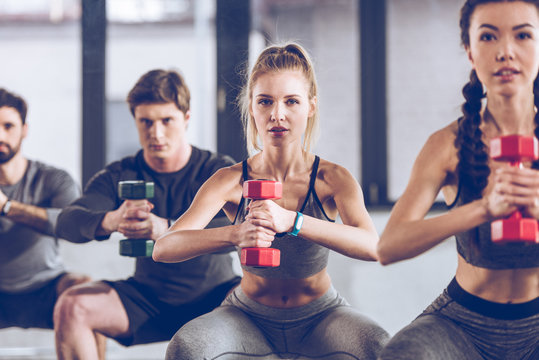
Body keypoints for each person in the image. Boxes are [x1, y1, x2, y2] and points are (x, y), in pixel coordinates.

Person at [153, 43, 389, 360]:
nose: (277, 114)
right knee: (187, 347)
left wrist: (293, 221)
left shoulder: (333, 179)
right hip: (247, 316)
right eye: (265, 101)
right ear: (252, 107)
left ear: (311, 106)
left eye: (291, 101)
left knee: (380, 346)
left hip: (321, 316)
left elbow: (372, 245)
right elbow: (164, 248)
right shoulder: (230, 180)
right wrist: (235, 233)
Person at [377, 1, 539, 359]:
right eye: (488, 37)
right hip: (462, 325)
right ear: (470, 51)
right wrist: (482, 209)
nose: (506, 52)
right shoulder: (446, 145)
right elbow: (389, 246)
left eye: (523, 35)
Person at [53, 69, 241, 360]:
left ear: (186, 118)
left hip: (214, 298)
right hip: (147, 300)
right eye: (146, 122)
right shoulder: (122, 173)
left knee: (259, 298)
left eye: (167, 120)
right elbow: (68, 221)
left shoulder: (216, 170)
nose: (156, 133)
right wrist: (111, 220)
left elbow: (244, 223)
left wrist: (167, 228)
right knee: (71, 306)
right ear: (136, 120)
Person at [0, 88, 90, 331]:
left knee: (85, 292)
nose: (0, 135)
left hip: (46, 286)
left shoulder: (54, 179)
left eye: (8, 126)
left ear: (24, 130)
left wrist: (7, 206)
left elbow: (72, 227)